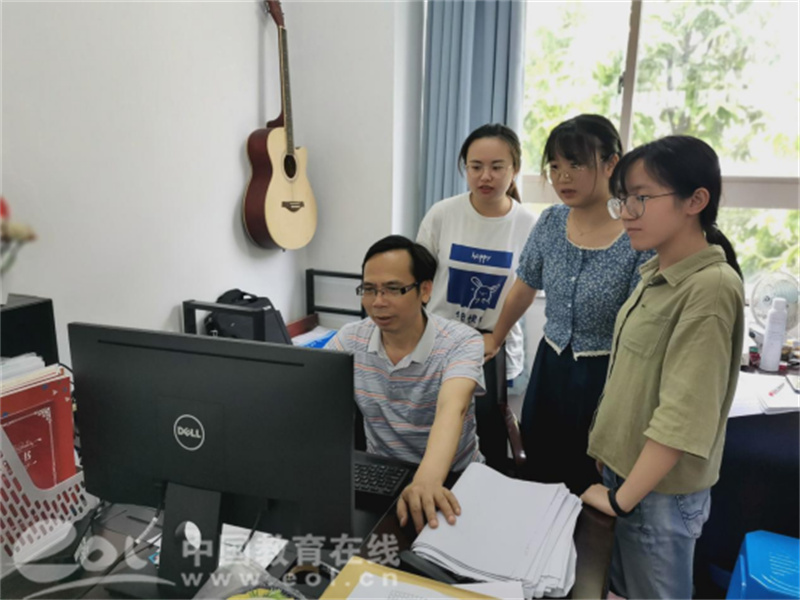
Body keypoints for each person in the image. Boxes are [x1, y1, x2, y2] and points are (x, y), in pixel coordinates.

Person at [581, 136, 744, 599]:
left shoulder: (710, 288)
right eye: (623, 199)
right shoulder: (655, 273)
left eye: (641, 198)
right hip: (630, 478)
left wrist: (621, 500)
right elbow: (633, 378)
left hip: (655, 497)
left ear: (695, 200)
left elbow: (681, 418)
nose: (627, 213)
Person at [483, 114, 653, 494]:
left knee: (589, 480)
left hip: (608, 374)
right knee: (540, 471)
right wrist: (496, 336)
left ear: (611, 163)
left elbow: (642, 322)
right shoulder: (550, 222)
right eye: (555, 166)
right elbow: (524, 287)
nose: (562, 177)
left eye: (576, 164)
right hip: (551, 368)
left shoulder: (637, 233)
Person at [325, 235, 485, 534]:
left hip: (455, 477)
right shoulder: (350, 339)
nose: (378, 302)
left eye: (393, 289)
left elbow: (453, 408)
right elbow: (311, 391)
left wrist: (426, 481)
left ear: (425, 290)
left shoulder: (461, 342)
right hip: (382, 475)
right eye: (369, 289)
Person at [416, 123, 536, 469]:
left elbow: (525, 289)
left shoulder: (528, 225)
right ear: (464, 168)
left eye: (497, 167)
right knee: (437, 437)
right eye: (476, 166)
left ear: (515, 169)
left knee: (488, 444)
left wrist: (494, 337)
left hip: (493, 351)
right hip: (439, 345)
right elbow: (419, 276)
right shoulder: (443, 213)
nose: (486, 176)